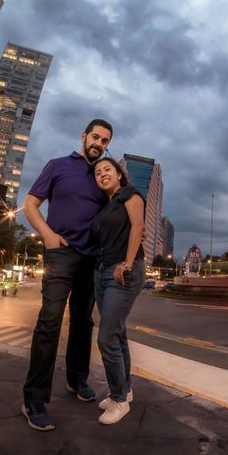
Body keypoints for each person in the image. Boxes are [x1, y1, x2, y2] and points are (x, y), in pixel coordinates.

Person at [21, 119, 113, 431]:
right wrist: (47, 234)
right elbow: (31, 204)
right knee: (49, 321)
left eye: (105, 141)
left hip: (92, 260)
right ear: (84, 135)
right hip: (60, 253)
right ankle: (33, 399)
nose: (99, 144)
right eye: (96, 137)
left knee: (83, 323)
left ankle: (77, 379)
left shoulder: (103, 176)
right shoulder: (58, 165)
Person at [90, 157, 145, 424]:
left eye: (107, 169)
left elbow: (137, 228)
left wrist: (127, 263)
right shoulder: (106, 206)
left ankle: (119, 399)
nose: (102, 174)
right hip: (102, 272)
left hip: (122, 271)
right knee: (118, 335)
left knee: (106, 338)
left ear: (119, 174)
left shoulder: (130, 194)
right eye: (98, 172)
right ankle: (126, 390)